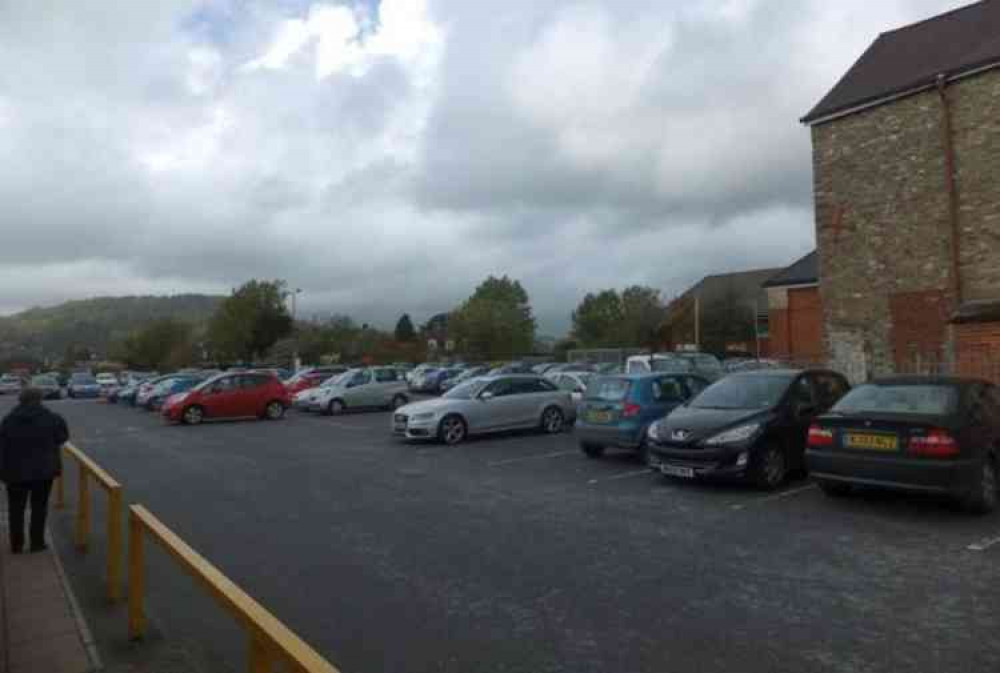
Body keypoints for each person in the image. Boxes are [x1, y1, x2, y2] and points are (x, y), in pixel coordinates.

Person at [0, 387, 69, 554]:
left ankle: (16, 545)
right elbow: (62, 437)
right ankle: (37, 543)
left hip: (14, 472)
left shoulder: (8, 421)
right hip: (43, 471)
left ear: (20, 400)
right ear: (40, 399)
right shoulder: (53, 419)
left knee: (15, 509)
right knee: (39, 507)